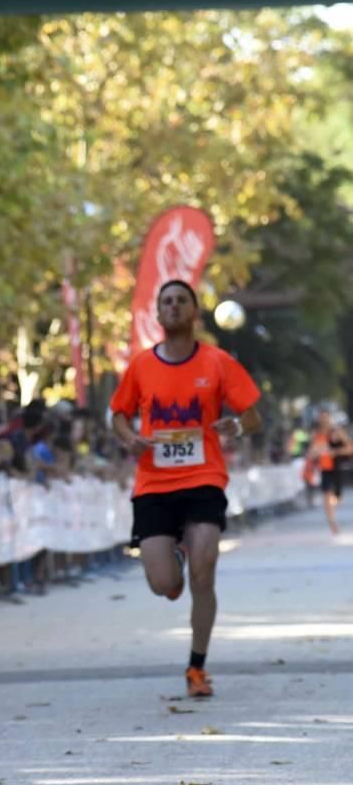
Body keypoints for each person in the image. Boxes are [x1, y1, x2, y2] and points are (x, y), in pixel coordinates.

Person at [111, 279, 262, 698]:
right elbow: (118, 416)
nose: (174, 307)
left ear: (194, 312)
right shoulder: (141, 366)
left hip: (204, 478)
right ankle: (173, 563)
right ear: (158, 314)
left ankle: (196, 668)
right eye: (167, 302)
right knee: (164, 584)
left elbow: (253, 416)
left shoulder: (217, 363)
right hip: (154, 483)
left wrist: (237, 424)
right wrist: (128, 438)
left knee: (205, 569)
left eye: (181, 301)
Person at [306, 408, 353, 536]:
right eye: (321, 417)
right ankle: (332, 522)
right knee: (326, 495)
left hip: (337, 468)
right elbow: (310, 453)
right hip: (324, 469)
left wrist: (335, 452)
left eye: (325, 417)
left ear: (329, 418)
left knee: (337, 497)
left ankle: (333, 504)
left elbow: (350, 448)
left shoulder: (337, 432)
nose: (323, 420)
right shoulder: (316, 434)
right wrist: (314, 454)